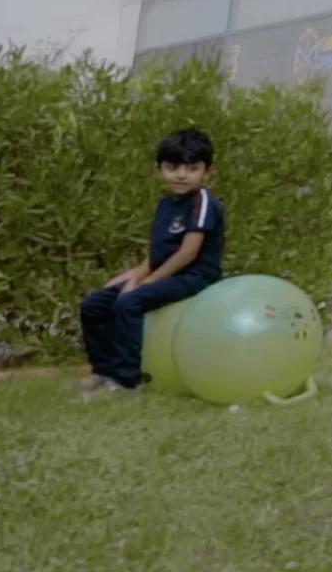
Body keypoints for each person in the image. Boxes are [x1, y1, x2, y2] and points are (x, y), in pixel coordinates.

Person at [77, 128, 227, 397]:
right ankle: (103, 370)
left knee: (129, 303)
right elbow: (158, 253)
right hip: (167, 272)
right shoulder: (166, 204)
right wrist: (132, 277)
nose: (181, 175)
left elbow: (187, 253)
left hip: (195, 275)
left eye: (192, 168)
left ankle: (127, 381)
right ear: (159, 170)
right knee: (94, 304)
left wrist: (145, 283)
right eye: (172, 167)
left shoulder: (202, 202)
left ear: (207, 172)